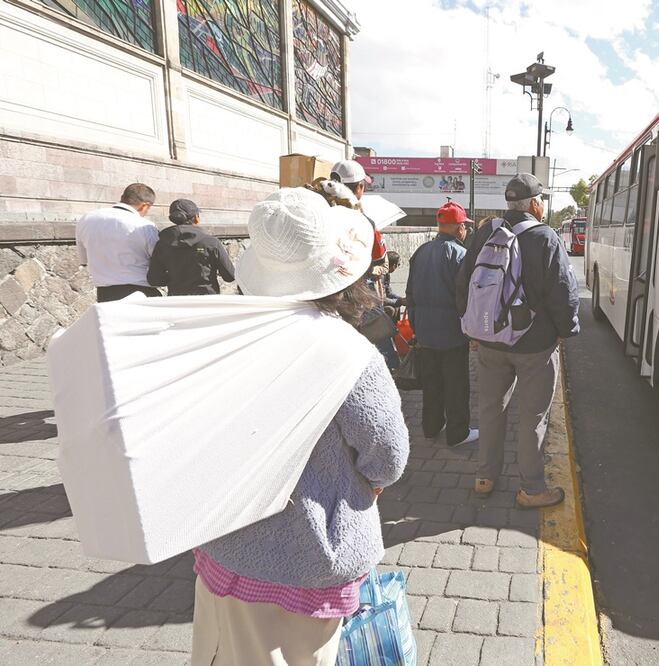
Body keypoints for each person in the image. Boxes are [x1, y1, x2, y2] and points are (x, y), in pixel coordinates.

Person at [190, 187, 410, 666]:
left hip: (228, 538)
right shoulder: (348, 355)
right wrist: (370, 484)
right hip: (311, 548)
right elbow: (387, 455)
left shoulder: (219, 341)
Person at [456, 174, 579, 508]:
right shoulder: (545, 237)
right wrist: (566, 331)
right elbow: (563, 293)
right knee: (532, 417)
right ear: (536, 204)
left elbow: (464, 282)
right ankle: (532, 488)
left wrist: (472, 330)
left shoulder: (485, 231)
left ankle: (485, 477)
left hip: (491, 342)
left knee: (490, 410)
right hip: (534, 346)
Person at [406, 201, 479, 448]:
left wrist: (416, 325)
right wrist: (471, 331)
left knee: (431, 384)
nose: (466, 230)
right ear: (458, 228)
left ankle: (431, 427)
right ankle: (457, 433)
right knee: (456, 385)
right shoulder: (461, 256)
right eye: (464, 226)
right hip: (453, 333)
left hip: (425, 332)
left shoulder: (420, 252)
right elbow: (466, 299)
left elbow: (410, 293)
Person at [76, 183, 161, 302]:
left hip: (105, 294)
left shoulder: (87, 219)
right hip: (140, 292)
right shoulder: (145, 226)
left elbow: (84, 260)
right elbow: (158, 258)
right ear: (144, 206)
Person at [147, 199, 236, 295]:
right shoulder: (211, 242)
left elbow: (154, 280)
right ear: (196, 218)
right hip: (208, 301)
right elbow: (230, 276)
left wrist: (175, 277)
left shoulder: (162, 244)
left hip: (176, 301)